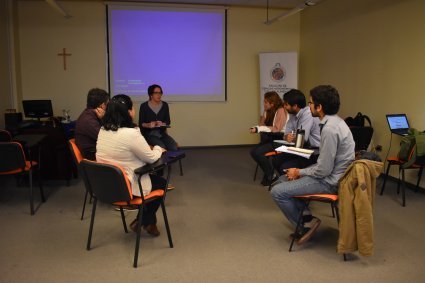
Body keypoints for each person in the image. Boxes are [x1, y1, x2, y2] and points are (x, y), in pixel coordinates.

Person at [270, 85, 355, 245]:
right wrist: (298, 172)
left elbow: (323, 170)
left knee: (277, 191)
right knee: (282, 180)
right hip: (332, 175)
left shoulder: (329, 129)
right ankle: (307, 217)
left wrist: (299, 172)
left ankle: (304, 226)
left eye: (310, 103)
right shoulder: (336, 122)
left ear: (319, 107)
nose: (308, 106)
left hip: (330, 182)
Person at [96, 94, 166, 236]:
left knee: (153, 179)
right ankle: (143, 220)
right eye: (132, 107)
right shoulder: (130, 134)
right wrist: (158, 148)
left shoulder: (103, 130)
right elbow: (151, 158)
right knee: (161, 183)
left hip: (106, 187)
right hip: (126, 187)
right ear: (128, 112)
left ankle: (148, 223)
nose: (134, 110)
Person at [272, 89, 321, 174]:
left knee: (285, 167)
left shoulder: (308, 114)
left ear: (295, 106)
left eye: (286, 104)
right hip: (303, 148)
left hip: (315, 152)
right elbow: (287, 132)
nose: (284, 107)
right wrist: (286, 136)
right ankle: (283, 183)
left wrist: (291, 137)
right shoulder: (294, 114)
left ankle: (288, 185)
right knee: (276, 160)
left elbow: (302, 139)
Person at [250, 91, 287, 186]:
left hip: (281, 139)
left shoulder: (281, 111)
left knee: (257, 152)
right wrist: (260, 127)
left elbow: (276, 129)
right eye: (264, 101)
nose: (264, 104)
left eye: (265, 102)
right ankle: (271, 174)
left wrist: (259, 128)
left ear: (272, 103)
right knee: (253, 151)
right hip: (270, 138)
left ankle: (271, 175)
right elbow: (261, 125)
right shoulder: (267, 110)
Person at [139, 84, 178, 151]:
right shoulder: (144, 106)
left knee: (173, 147)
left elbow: (168, 121)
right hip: (149, 134)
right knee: (161, 147)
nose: (159, 95)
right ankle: (160, 161)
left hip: (161, 133)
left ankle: (167, 160)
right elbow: (141, 123)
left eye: (160, 93)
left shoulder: (165, 105)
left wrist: (162, 123)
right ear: (151, 95)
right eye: (156, 93)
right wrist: (148, 125)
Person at [75, 88, 110, 160]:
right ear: (103, 105)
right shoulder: (88, 120)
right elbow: (107, 138)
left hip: (96, 151)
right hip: (92, 156)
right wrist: (105, 118)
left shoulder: (89, 114)